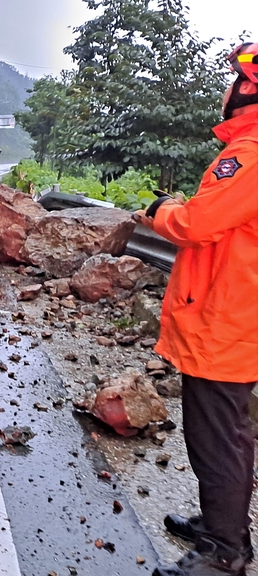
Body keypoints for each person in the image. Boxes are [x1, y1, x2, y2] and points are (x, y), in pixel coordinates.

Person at [137, 42, 258, 576]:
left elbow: (197, 225)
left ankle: (225, 551)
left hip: (228, 318)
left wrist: (159, 209)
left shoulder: (251, 152)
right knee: (222, 429)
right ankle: (224, 528)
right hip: (230, 313)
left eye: (234, 81)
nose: (226, 89)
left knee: (217, 434)